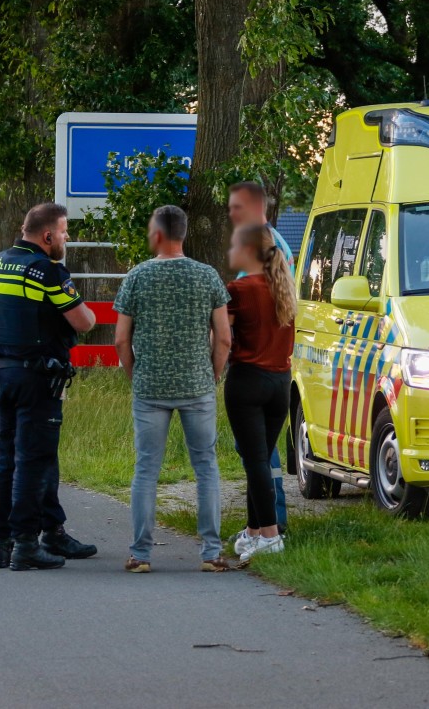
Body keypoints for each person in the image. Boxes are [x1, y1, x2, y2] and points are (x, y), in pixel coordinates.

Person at [0, 203, 97, 571]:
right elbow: (85, 321)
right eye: (64, 231)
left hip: (1, 372)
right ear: (47, 236)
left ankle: (1, 543)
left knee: (5, 457)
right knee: (34, 459)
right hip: (38, 377)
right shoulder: (46, 270)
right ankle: (27, 543)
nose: (66, 238)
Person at [115, 205, 232, 573]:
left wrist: (135, 374)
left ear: (159, 234)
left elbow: (121, 339)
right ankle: (211, 552)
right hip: (197, 385)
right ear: (182, 233)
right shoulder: (208, 276)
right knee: (206, 467)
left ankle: (140, 554)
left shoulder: (136, 277)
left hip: (150, 386)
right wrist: (211, 375)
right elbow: (224, 338)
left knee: (147, 469)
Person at [226, 182, 292, 542]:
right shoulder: (284, 287)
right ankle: (255, 530)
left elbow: (223, 336)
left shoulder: (239, 289)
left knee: (256, 462)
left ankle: (269, 536)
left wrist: (214, 363)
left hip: (249, 379)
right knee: (262, 459)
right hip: (280, 381)